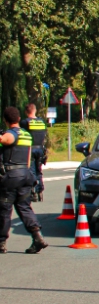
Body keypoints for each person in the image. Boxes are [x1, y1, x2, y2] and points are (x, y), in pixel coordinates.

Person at [0, 107, 46, 254]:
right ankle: (37, 236)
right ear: (19, 119)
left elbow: (6, 140)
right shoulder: (27, 135)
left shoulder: (11, 134)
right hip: (26, 176)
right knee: (24, 207)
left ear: (5, 121)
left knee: (4, 210)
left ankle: (1, 243)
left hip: (11, 177)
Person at [20, 103, 47, 201]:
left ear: (26, 112)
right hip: (40, 149)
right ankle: (40, 190)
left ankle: (33, 191)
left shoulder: (25, 122)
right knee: (39, 171)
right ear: (35, 110)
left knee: (31, 171)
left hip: (30, 150)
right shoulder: (41, 122)